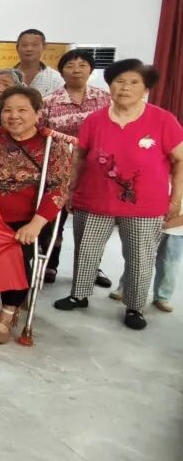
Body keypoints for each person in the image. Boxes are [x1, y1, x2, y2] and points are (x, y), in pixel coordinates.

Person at [54, 59, 183, 330]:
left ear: (146, 89)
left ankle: (135, 306)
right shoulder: (94, 120)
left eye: (134, 82)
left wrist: (176, 199)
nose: (125, 87)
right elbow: (80, 157)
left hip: (145, 204)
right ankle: (79, 294)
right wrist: (71, 189)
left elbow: (180, 160)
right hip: (94, 198)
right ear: (109, 86)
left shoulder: (163, 120)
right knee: (86, 250)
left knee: (140, 256)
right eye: (119, 81)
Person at [0, 86, 69, 344]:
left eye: (22, 110)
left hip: (27, 220)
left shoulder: (52, 146)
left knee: (18, 257)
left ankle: (7, 311)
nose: (14, 116)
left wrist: (36, 224)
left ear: (38, 113)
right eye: (8, 110)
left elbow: (58, 189)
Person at [40, 49, 112, 284]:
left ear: (91, 70)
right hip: (59, 169)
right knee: (54, 220)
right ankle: (50, 264)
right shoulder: (49, 102)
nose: (76, 70)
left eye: (82, 65)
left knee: (94, 223)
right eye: (70, 65)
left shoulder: (105, 99)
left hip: (96, 171)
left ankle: (92, 268)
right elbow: (40, 136)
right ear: (61, 71)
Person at [13, 29, 64, 97]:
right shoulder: (6, 76)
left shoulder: (55, 78)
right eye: (24, 45)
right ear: (17, 48)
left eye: (35, 45)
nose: (29, 49)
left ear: (44, 47)